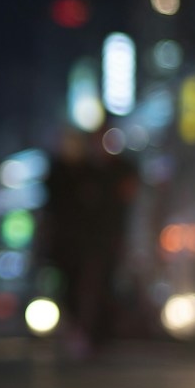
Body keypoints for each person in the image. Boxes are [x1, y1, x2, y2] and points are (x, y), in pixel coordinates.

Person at [37, 128, 136, 355]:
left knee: (101, 284)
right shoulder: (62, 173)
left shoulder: (104, 172)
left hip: (97, 240)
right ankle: (81, 331)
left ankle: (97, 334)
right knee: (71, 286)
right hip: (69, 243)